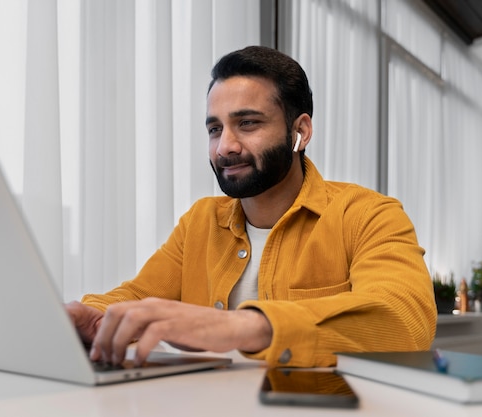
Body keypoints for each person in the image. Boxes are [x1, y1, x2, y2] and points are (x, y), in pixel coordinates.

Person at [66, 45, 437, 368]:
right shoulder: (200, 222)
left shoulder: (368, 215)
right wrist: (92, 316)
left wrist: (240, 327)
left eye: (247, 123)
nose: (225, 146)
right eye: (215, 129)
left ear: (300, 132)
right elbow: (137, 296)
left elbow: (405, 321)